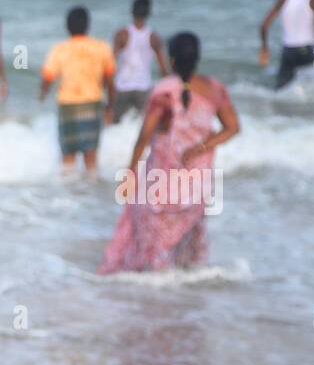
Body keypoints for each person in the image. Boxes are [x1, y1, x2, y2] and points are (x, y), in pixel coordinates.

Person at [98, 33, 240, 273]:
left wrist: (130, 172)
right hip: (197, 182)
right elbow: (232, 127)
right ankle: (184, 290)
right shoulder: (215, 89)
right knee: (189, 240)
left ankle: (155, 286)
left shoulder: (164, 91)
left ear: (171, 60)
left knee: (152, 233)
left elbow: (145, 135)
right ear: (197, 58)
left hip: (162, 179)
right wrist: (202, 147)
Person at [39, 6, 115, 175]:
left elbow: (48, 78)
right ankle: (91, 194)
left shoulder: (59, 49)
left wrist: (42, 94)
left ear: (67, 27)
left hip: (68, 106)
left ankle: (70, 197)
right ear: (88, 26)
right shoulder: (101, 47)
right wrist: (110, 106)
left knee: (68, 157)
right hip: (93, 104)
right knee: (91, 157)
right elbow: (110, 81)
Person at [112, 0, 168, 122]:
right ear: (149, 13)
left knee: (115, 124)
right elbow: (163, 69)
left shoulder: (122, 34)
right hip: (144, 87)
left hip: (122, 86)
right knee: (144, 125)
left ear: (131, 11)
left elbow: (111, 62)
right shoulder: (153, 37)